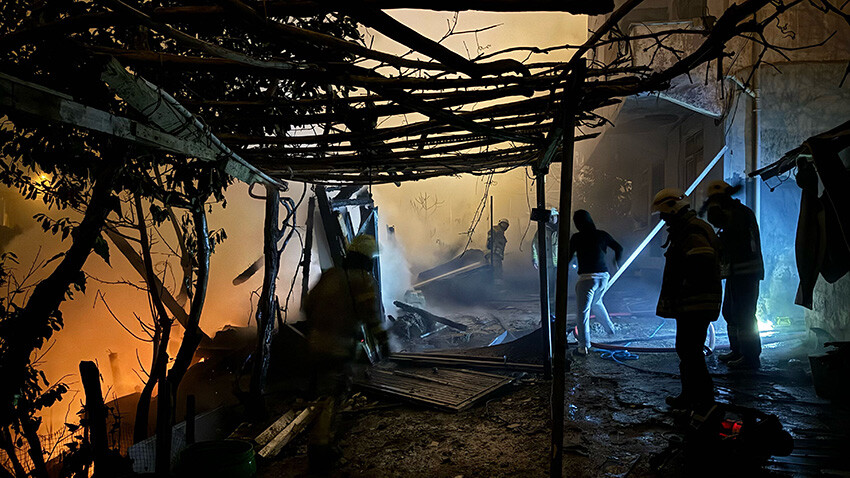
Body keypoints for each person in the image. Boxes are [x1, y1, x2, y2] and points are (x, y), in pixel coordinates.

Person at [303, 234, 388, 472]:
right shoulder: (362, 280)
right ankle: (321, 452)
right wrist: (384, 340)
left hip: (315, 345)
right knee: (332, 397)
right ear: (366, 258)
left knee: (323, 394)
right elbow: (370, 316)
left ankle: (322, 445)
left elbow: (307, 306)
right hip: (338, 349)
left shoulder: (330, 275)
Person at [652, 188, 722, 410]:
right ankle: (691, 397)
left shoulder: (692, 231)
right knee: (687, 350)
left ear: (673, 209)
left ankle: (702, 401)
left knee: (690, 351)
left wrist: (682, 288)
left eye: (663, 214)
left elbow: (700, 265)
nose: (662, 219)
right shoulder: (687, 228)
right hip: (692, 302)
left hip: (696, 302)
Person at [704, 180, 764, 369]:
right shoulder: (734, 212)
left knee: (745, 315)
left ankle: (750, 356)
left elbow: (717, 222)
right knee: (730, 312)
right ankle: (737, 350)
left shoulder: (738, 214)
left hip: (746, 272)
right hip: (736, 272)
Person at [567, 209, 623, 356]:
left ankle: (583, 346)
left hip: (587, 279)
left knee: (583, 313)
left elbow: (567, 256)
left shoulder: (577, 238)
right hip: (604, 277)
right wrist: (615, 261)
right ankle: (611, 331)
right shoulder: (601, 234)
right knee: (597, 303)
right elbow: (619, 247)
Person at [532, 208, 559, 310]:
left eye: (554, 217)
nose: (552, 219)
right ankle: (549, 309)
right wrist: (535, 259)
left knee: (558, 288)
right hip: (548, 265)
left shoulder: (563, 230)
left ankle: (556, 307)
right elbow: (535, 245)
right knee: (549, 287)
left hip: (560, 265)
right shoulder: (542, 231)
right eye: (550, 217)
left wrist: (573, 260)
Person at [487, 218, 510, 283]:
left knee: (498, 269)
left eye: (506, 225)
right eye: (504, 224)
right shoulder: (496, 229)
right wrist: (489, 242)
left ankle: (496, 283)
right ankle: (496, 285)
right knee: (496, 270)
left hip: (497, 255)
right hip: (493, 254)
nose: (505, 226)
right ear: (500, 223)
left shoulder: (501, 234)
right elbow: (490, 234)